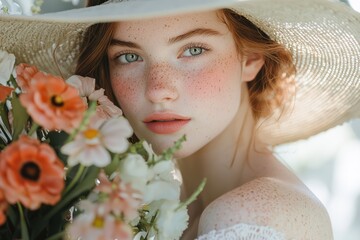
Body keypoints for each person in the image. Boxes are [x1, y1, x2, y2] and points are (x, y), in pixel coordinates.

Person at [0, 0, 359, 239]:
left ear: (250, 58)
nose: (158, 90)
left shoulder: (250, 215)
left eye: (193, 50)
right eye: (128, 57)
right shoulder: (159, 209)